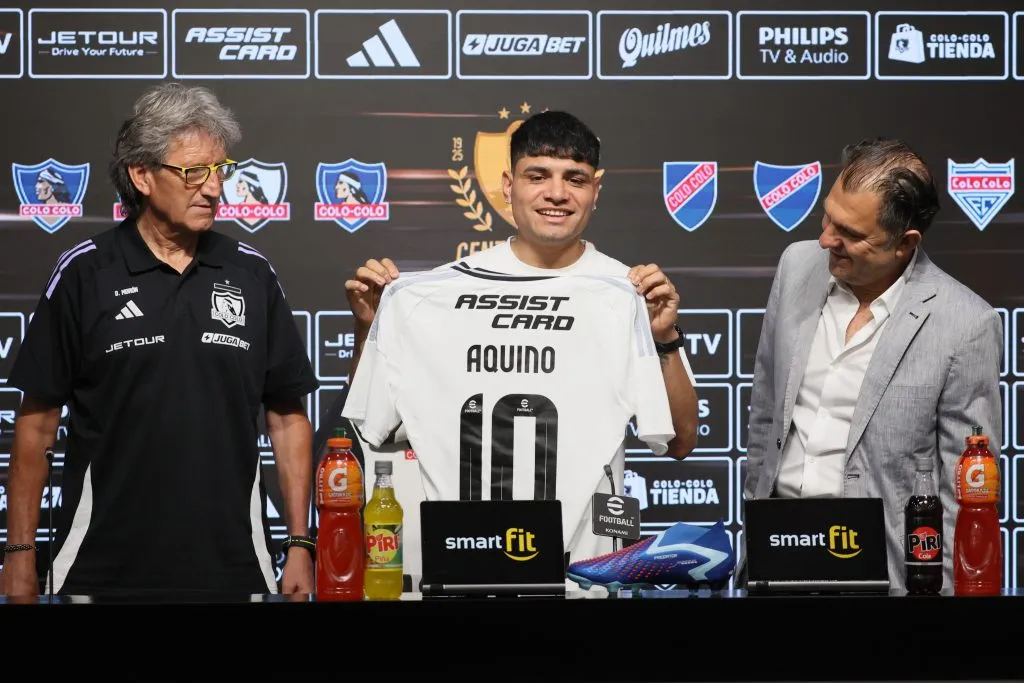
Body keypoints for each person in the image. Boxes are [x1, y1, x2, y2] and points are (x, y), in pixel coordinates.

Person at [1, 83, 318, 597]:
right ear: (142, 175)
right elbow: (36, 431)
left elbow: (286, 420)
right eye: (193, 172)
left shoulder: (252, 274)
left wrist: (300, 543)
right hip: (102, 568)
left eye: (219, 171)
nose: (213, 189)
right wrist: (19, 554)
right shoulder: (85, 274)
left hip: (235, 566)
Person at [342, 110, 699, 564]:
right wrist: (371, 330)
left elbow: (681, 441)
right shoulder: (433, 292)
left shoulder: (628, 294)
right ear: (508, 186)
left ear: (596, 192)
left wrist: (663, 337)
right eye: (538, 176)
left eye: (575, 178)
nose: (557, 193)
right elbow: (377, 425)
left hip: (587, 573)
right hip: (464, 564)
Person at [744, 137, 1003, 592]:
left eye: (850, 233)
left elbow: (963, 491)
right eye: (828, 217)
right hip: (775, 560)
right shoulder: (797, 265)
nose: (826, 238)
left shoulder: (966, 323)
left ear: (904, 244)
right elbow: (766, 411)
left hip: (886, 579)